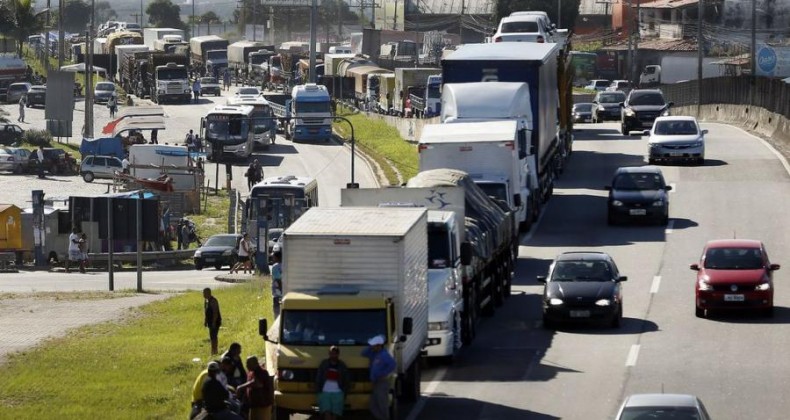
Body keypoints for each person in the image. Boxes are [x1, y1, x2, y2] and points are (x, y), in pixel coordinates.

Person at [362, 335, 396, 420]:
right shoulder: (373, 354)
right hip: (376, 383)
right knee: (373, 405)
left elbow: (392, 364)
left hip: (382, 382)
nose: (372, 347)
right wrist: (370, 347)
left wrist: (383, 373)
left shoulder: (384, 355)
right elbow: (363, 353)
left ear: (378, 346)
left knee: (382, 404)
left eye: (373, 345)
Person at [316, 346, 350, 420]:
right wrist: (318, 390)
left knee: (335, 414)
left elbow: (346, 379)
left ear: (338, 354)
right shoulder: (324, 363)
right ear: (329, 354)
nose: (333, 355)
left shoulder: (342, 365)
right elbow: (319, 377)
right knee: (327, 413)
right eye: (331, 353)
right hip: (325, 392)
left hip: (338, 393)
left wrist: (345, 391)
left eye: (335, 354)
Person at [236, 356, 274, 420]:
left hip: (263, 405)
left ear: (255, 364)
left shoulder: (262, 372)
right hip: (254, 405)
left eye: (248, 364)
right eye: (246, 363)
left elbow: (257, 383)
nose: (246, 365)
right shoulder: (251, 372)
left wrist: (241, 387)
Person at [204, 287, 222, 355]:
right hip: (210, 321)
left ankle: (215, 350)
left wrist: (214, 322)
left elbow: (215, 312)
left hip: (215, 321)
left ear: (208, 293)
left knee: (214, 336)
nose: (203, 295)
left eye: (204, 293)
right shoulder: (206, 301)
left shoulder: (213, 301)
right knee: (211, 336)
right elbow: (206, 311)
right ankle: (213, 350)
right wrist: (205, 320)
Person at [271, 251, 283, 315]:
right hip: (285, 291)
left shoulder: (275, 267)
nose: (272, 258)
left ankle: (277, 321)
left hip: (277, 291)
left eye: (273, 257)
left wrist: (281, 290)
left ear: (276, 257)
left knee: (276, 310)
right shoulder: (285, 265)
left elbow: (278, 279)